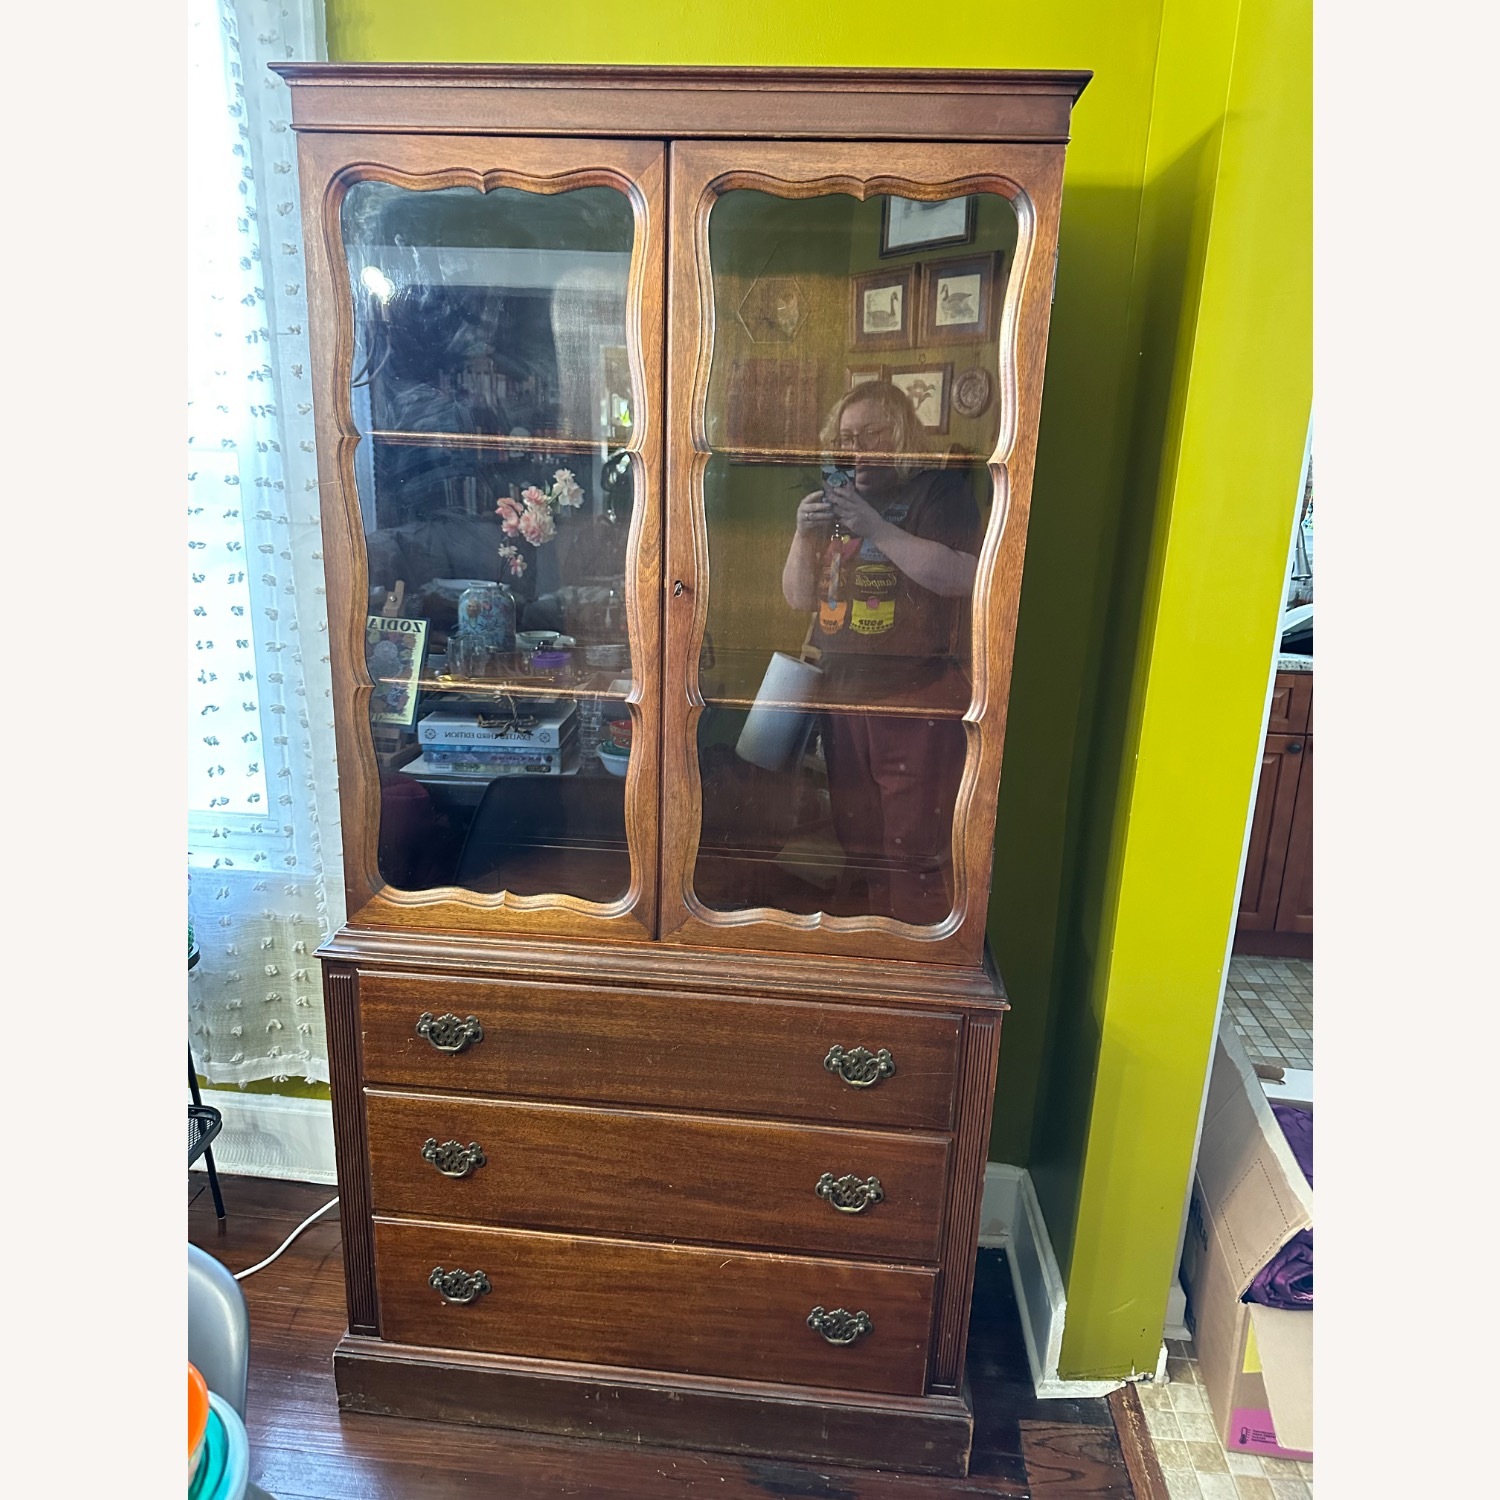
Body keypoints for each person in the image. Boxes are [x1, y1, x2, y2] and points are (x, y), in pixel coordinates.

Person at [781, 382, 982, 925]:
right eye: (847, 437)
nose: (859, 448)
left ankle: (915, 969)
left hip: (914, 700)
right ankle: (877, 954)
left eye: (872, 433)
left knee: (913, 850)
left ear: (901, 437)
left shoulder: (937, 492)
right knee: (861, 843)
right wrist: (803, 537)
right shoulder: (833, 501)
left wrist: (874, 526)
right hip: (843, 698)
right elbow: (799, 597)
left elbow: (964, 577)